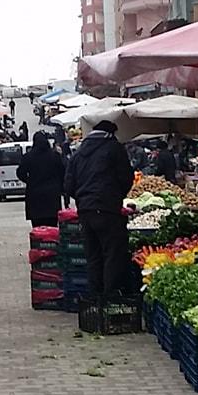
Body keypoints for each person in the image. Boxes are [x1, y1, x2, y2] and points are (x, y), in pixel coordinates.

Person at [63, 119, 135, 306]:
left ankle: (95, 298)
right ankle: (111, 297)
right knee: (113, 252)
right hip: (108, 209)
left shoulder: (78, 153)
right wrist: (115, 196)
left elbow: (68, 185)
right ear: (111, 133)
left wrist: (82, 198)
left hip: (86, 211)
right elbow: (126, 178)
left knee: (93, 255)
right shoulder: (114, 148)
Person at [18, 132, 65, 228]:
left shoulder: (28, 157)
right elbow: (63, 173)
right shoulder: (55, 156)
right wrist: (59, 186)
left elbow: (20, 173)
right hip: (52, 196)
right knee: (52, 227)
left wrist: (29, 181)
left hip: (35, 196)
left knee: (37, 228)